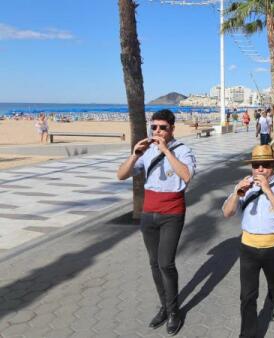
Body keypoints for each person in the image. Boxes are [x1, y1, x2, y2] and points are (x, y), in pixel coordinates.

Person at [116, 109, 196, 336]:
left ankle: (174, 312)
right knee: (154, 263)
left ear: (172, 129)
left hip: (172, 212)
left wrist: (166, 151)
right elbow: (120, 175)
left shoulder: (183, 151)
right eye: (154, 127)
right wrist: (134, 155)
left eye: (163, 127)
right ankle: (165, 306)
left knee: (166, 263)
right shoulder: (147, 151)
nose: (158, 131)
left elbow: (187, 176)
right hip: (149, 213)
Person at [222, 145, 274, 338]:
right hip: (248, 248)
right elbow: (227, 213)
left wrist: (267, 189)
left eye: (264, 165)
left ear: (272, 166)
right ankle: (248, 334)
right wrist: (237, 192)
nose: (260, 169)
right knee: (247, 296)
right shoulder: (244, 186)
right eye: (256, 165)